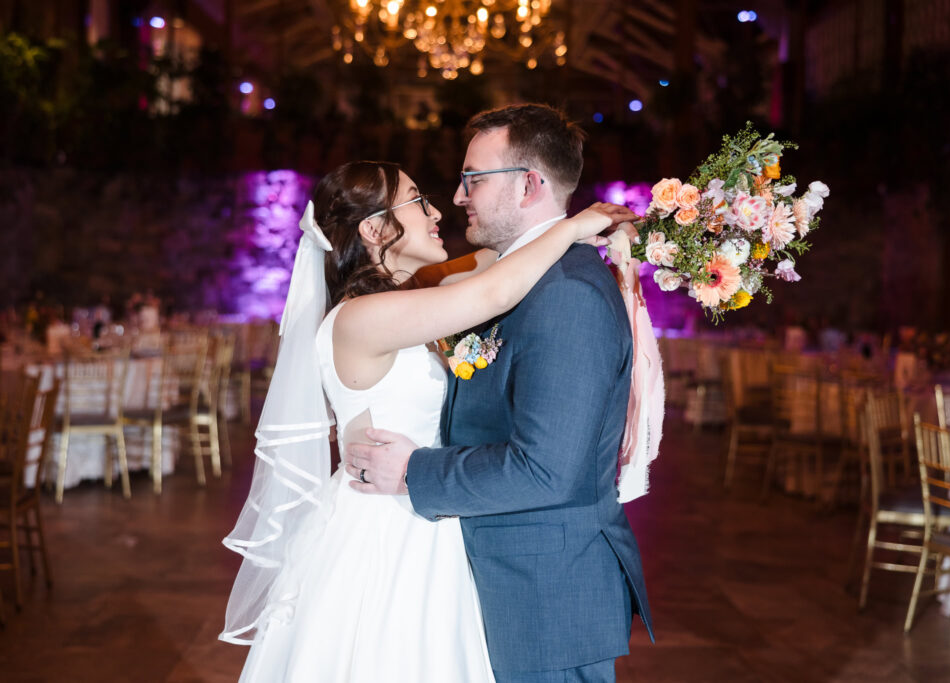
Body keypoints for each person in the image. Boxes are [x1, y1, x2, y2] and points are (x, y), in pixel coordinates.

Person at [220, 158, 637, 682]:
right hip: (388, 527)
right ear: (374, 228)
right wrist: (578, 225)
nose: (437, 210)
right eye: (417, 201)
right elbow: (494, 290)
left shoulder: (407, 298)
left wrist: (576, 230)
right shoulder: (361, 317)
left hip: (424, 508)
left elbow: (497, 259)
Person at [347, 104, 654, 682]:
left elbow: (546, 470)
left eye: (473, 179)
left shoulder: (567, 293)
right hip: (500, 580)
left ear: (529, 184)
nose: (458, 197)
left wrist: (413, 472)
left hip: (544, 601)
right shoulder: (519, 278)